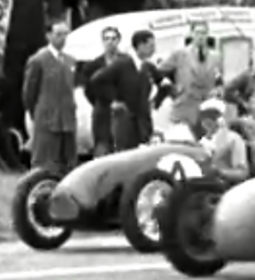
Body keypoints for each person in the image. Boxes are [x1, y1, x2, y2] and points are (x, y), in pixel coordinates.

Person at [89, 29, 164, 149]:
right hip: (126, 121)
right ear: (140, 46)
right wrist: (112, 100)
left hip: (142, 121)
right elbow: (97, 80)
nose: (153, 49)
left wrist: (156, 102)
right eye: (151, 46)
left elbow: (164, 84)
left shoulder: (147, 66)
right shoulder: (123, 64)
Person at [23, 20, 79, 175]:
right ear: (49, 36)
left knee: (68, 161)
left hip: (67, 118)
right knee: (45, 160)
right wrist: (37, 112)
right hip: (47, 118)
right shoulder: (38, 60)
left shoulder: (70, 60)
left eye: (65, 35)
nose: (62, 38)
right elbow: (29, 93)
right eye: (58, 34)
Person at [157, 20, 222, 130]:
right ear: (191, 34)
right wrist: (171, 89)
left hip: (206, 107)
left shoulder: (216, 56)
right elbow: (159, 72)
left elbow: (221, 78)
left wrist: (218, 90)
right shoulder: (180, 54)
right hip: (184, 105)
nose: (200, 36)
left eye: (203, 33)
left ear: (208, 34)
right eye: (197, 33)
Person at [81, 26, 126, 156]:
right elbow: (88, 90)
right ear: (102, 41)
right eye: (107, 39)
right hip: (102, 111)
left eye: (113, 38)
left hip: (123, 110)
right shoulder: (93, 65)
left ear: (118, 41)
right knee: (102, 145)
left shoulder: (127, 61)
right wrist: (102, 102)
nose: (110, 42)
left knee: (123, 147)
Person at [196, 98, 249, 184]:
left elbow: (242, 173)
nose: (207, 121)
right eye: (203, 117)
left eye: (211, 116)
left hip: (224, 186)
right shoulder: (200, 142)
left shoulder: (233, 139)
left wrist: (220, 173)